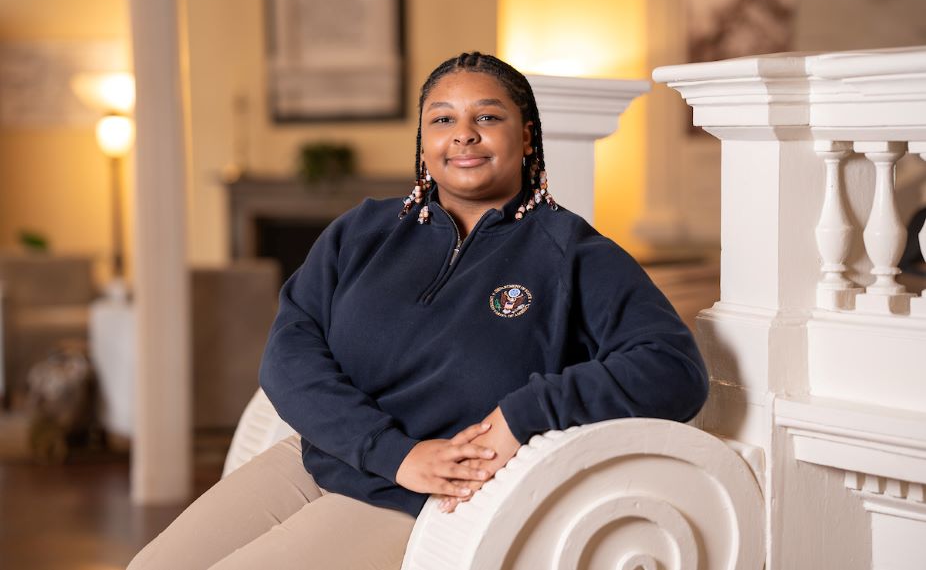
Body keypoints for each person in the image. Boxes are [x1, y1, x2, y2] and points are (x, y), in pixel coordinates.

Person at [128, 52, 709, 570]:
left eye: (487, 117)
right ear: (423, 139)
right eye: (443, 119)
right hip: (319, 461)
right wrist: (392, 452)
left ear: (527, 136)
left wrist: (524, 414)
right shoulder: (364, 229)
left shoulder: (572, 252)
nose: (464, 135)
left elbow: (673, 368)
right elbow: (289, 352)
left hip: (419, 501)